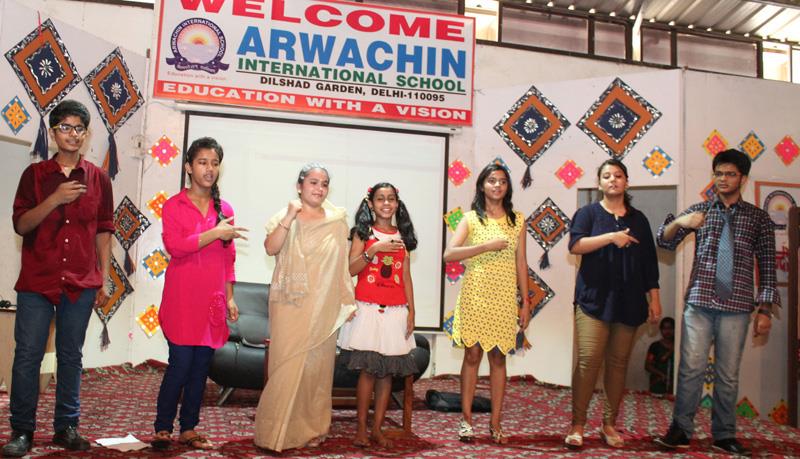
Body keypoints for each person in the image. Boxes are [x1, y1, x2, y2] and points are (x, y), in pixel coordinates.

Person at [3, 100, 113, 457]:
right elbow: (21, 225)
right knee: (28, 356)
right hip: (38, 280)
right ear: (53, 133)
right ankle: (22, 430)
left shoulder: (98, 178)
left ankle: (66, 427)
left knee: (70, 356)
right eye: (65, 127)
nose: (72, 134)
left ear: (86, 134)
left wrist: (103, 276)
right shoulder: (34, 176)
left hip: (81, 281)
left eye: (79, 128)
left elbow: (104, 230)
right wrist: (54, 199)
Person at [654, 149, 778, 457]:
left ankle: (724, 435)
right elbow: (664, 241)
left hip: (737, 306)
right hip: (699, 301)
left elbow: (767, 265)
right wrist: (681, 221)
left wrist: (764, 310)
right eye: (718, 173)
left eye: (730, 174)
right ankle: (680, 430)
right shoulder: (700, 211)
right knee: (690, 370)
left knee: (728, 375)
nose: (723, 179)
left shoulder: (758, 218)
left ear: (743, 178)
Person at [150, 137, 246, 451]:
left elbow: (229, 259)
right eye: (203, 162)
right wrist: (215, 232)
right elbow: (176, 247)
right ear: (189, 167)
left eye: (214, 163)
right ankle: (163, 427)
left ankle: (188, 428)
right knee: (179, 364)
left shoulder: (225, 209)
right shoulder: (174, 205)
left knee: (200, 369)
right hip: (181, 299)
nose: (209, 169)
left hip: (212, 301)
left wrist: (229, 296)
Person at [254, 163, 356, 452]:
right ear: (299, 186)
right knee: (285, 366)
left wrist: (346, 299)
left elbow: (341, 267)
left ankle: (312, 428)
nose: (319, 189)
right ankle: (275, 433)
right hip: (290, 304)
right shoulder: (285, 216)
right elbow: (271, 248)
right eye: (313, 182)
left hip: (323, 306)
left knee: (316, 371)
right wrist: (289, 216)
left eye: (324, 184)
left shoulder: (337, 221)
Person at [564, 159, 661, 450]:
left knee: (618, 364)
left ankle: (609, 424)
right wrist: (610, 238)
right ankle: (578, 425)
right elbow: (575, 246)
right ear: (599, 183)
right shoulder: (588, 213)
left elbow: (649, 263)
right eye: (606, 176)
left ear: (626, 182)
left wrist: (654, 298)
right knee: (588, 361)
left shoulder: (639, 219)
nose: (613, 180)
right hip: (593, 300)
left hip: (629, 301)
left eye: (618, 175)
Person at [442, 163, 530, 444]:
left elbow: (521, 263)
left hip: (503, 298)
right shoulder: (470, 218)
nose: (497, 185)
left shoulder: (517, 220)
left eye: (502, 181)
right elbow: (449, 254)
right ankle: (466, 421)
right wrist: (485, 247)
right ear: (482, 185)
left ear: (508, 187)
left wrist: (525, 303)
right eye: (492, 180)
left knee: (498, 358)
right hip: (476, 295)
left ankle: (495, 423)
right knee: (472, 356)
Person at [338, 183, 418, 448]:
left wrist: (411, 311)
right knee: (369, 372)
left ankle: (377, 429)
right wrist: (373, 250)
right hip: (367, 309)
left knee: (387, 374)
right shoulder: (363, 233)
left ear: (397, 203)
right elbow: (350, 269)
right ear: (371, 204)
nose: (386, 203)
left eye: (391, 199)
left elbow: (405, 276)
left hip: (395, 309)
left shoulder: (403, 236)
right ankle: (361, 429)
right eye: (380, 199)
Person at [646, 317, 675, 395]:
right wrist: (661, 375)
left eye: (670, 328)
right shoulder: (655, 346)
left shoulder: (679, 346)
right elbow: (648, 366)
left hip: (674, 386)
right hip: (657, 384)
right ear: (661, 330)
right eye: (664, 328)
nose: (667, 331)